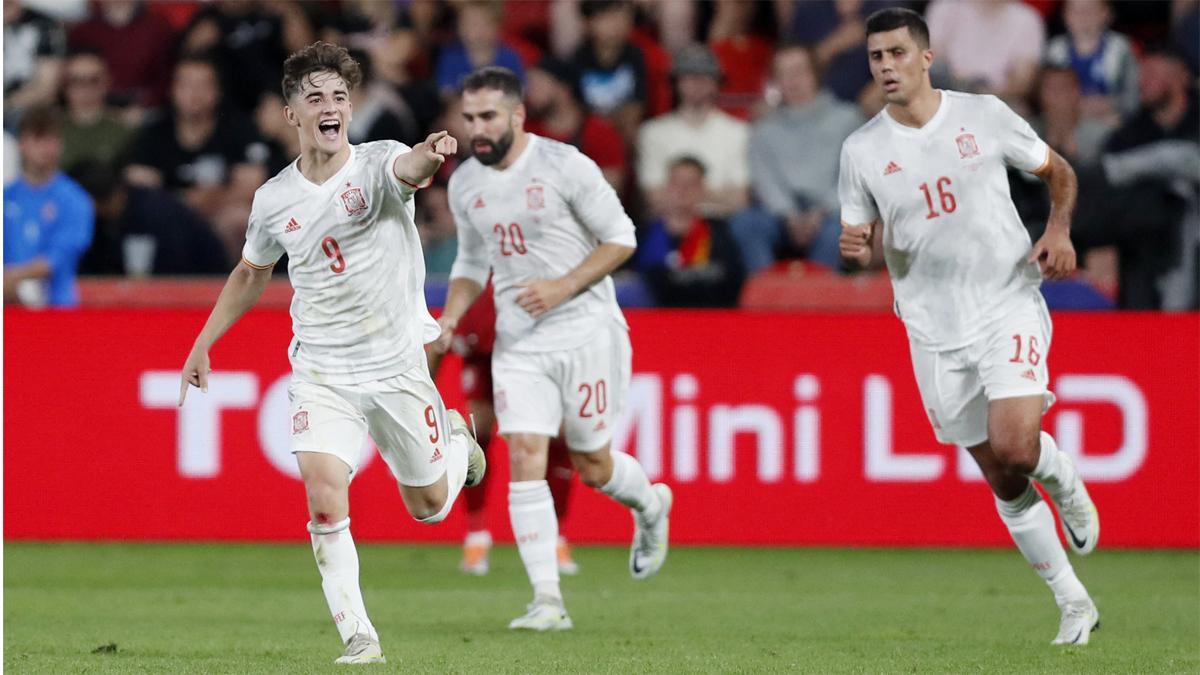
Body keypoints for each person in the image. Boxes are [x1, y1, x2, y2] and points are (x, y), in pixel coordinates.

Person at [177, 42, 484, 665]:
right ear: (292, 112)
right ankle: (359, 636)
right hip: (322, 367)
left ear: (352, 107)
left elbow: (413, 171)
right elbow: (251, 272)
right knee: (323, 493)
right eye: (314, 97)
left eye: (339, 97)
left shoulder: (378, 163)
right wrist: (204, 342)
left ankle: (456, 439)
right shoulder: (273, 200)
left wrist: (432, 152)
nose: (329, 107)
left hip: (395, 362)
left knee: (427, 507)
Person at [837, 9, 1101, 645]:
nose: (886, 67)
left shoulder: (982, 115)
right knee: (1004, 477)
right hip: (931, 328)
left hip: (1006, 301)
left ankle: (1062, 477)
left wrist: (1058, 229)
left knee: (1018, 447)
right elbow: (862, 239)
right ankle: (1074, 603)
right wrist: (856, 248)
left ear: (926, 57)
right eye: (876, 57)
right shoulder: (862, 150)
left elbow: (1057, 170)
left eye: (897, 53)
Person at [438, 66, 672, 632]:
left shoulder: (565, 166)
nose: (478, 128)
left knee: (592, 463)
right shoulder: (465, 182)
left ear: (518, 116)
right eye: (469, 118)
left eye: (489, 116)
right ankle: (547, 600)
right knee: (522, 455)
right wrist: (449, 315)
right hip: (520, 342)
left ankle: (651, 506)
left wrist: (563, 286)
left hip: (588, 330)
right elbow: (472, 261)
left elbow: (622, 237)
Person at [426, 282, 581, 576]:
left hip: (532, 325)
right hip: (485, 327)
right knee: (477, 431)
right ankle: (476, 537)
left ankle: (555, 538)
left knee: (557, 435)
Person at [731, 44, 865, 274]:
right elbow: (765, 180)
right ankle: (767, 297)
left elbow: (855, 177)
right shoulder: (764, 129)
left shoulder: (848, 118)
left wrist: (821, 211)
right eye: (783, 75)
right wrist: (789, 215)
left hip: (832, 210)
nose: (791, 81)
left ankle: (815, 301)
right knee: (745, 223)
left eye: (798, 72)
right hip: (782, 215)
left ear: (814, 73)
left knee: (840, 229)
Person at [637, 43, 749, 218]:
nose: (696, 83)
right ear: (676, 82)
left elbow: (740, 199)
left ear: (716, 82)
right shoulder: (653, 132)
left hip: (721, 226)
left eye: (704, 76)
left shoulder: (739, 132)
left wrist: (680, 194)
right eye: (688, 76)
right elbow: (653, 198)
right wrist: (714, 195)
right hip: (669, 224)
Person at [3, 105, 94, 308]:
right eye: (38, 138)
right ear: (22, 144)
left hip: (57, 310)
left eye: (52, 139)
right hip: (8, 310)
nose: (46, 148)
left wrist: (12, 278)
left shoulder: (75, 200)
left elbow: (60, 255)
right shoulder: (6, 197)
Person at [635, 156, 745, 307]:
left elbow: (733, 282)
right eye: (676, 183)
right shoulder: (641, 234)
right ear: (666, 187)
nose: (682, 190)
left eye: (691, 184)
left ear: (703, 190)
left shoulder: (720, 233)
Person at [1043, 0, 1139, 122]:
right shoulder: (1054, 50)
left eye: (1090, 10)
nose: (1082, 16)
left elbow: (1133, 97)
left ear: (1106, 14)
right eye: (1075, 10)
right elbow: (1044, 98)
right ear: (1065, 15)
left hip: (1108, 119)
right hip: (1064, 120)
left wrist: (1109, 104)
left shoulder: (1121, 48)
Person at [59, 48, 134, 177]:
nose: (86, 88)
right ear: (65, 85)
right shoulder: (50, 128)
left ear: (107, 82)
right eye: (77, 80)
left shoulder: (124, 130)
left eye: (93, 80)